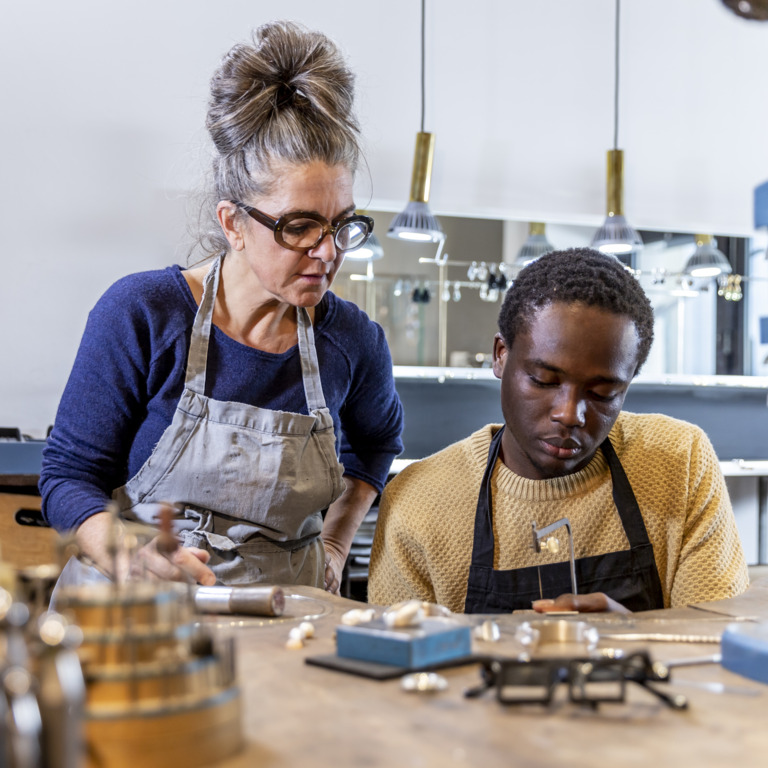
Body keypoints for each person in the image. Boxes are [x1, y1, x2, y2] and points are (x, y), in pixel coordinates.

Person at [40, 21, 403, 593]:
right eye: (300, 226)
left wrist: (335, 541)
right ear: (232, 222)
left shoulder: (353, 342)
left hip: (287, 618)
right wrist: (128, 558)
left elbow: (377, 443)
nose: (329, 251)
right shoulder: (143, 314)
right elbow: (67, 476)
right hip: (136, 616)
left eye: (341, 224)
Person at [369, 248, 748, 613]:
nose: (570, 415)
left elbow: (716, 644)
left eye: (602, 393)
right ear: (501, 356)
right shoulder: (418, 502)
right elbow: (397, 665)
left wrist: (627, 643)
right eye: (544, 380)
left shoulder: (679, 462)